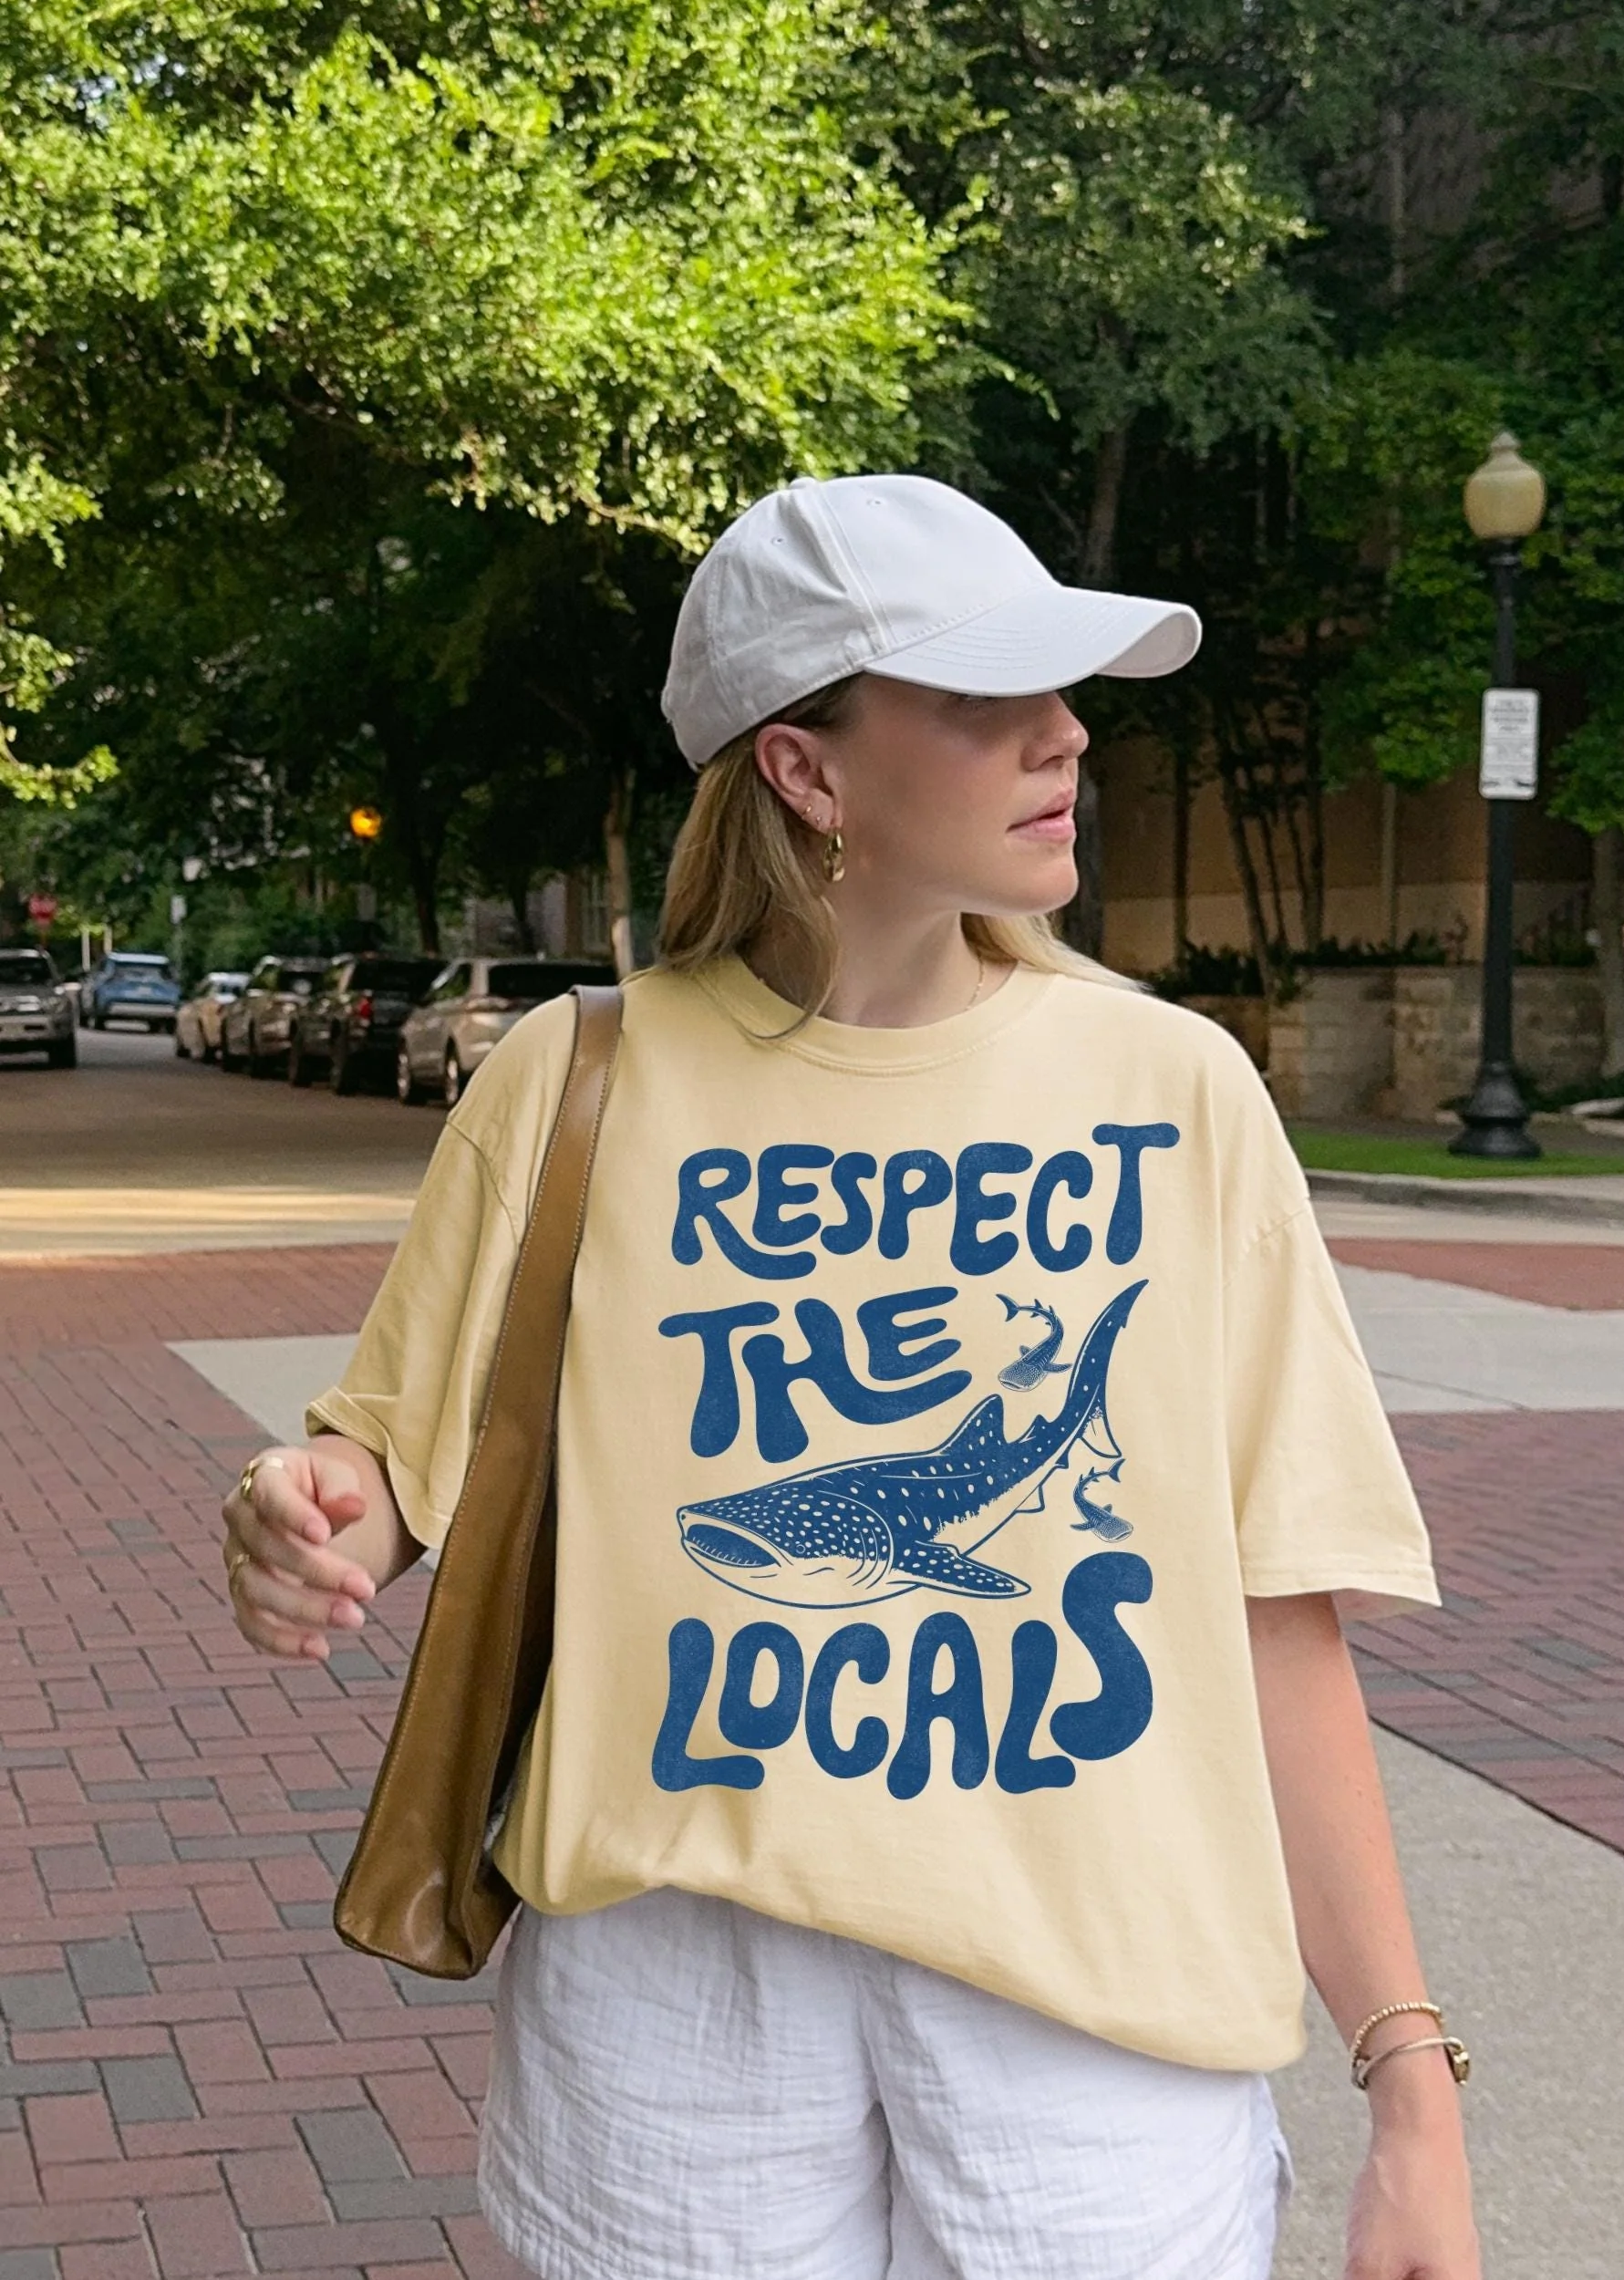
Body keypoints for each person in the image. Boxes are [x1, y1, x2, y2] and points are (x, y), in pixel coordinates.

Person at [220, 473, 1481, 2280]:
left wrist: (1409, 2081)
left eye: (1066, 689)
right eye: (985, 696)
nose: (1064, 736)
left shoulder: (1174, 1089)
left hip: (1092, 2009)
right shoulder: (573, 1078)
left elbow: (1277, 1609)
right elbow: (383, 1473)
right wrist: (300, 1517)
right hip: (677, 1996)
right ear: (806, 768)